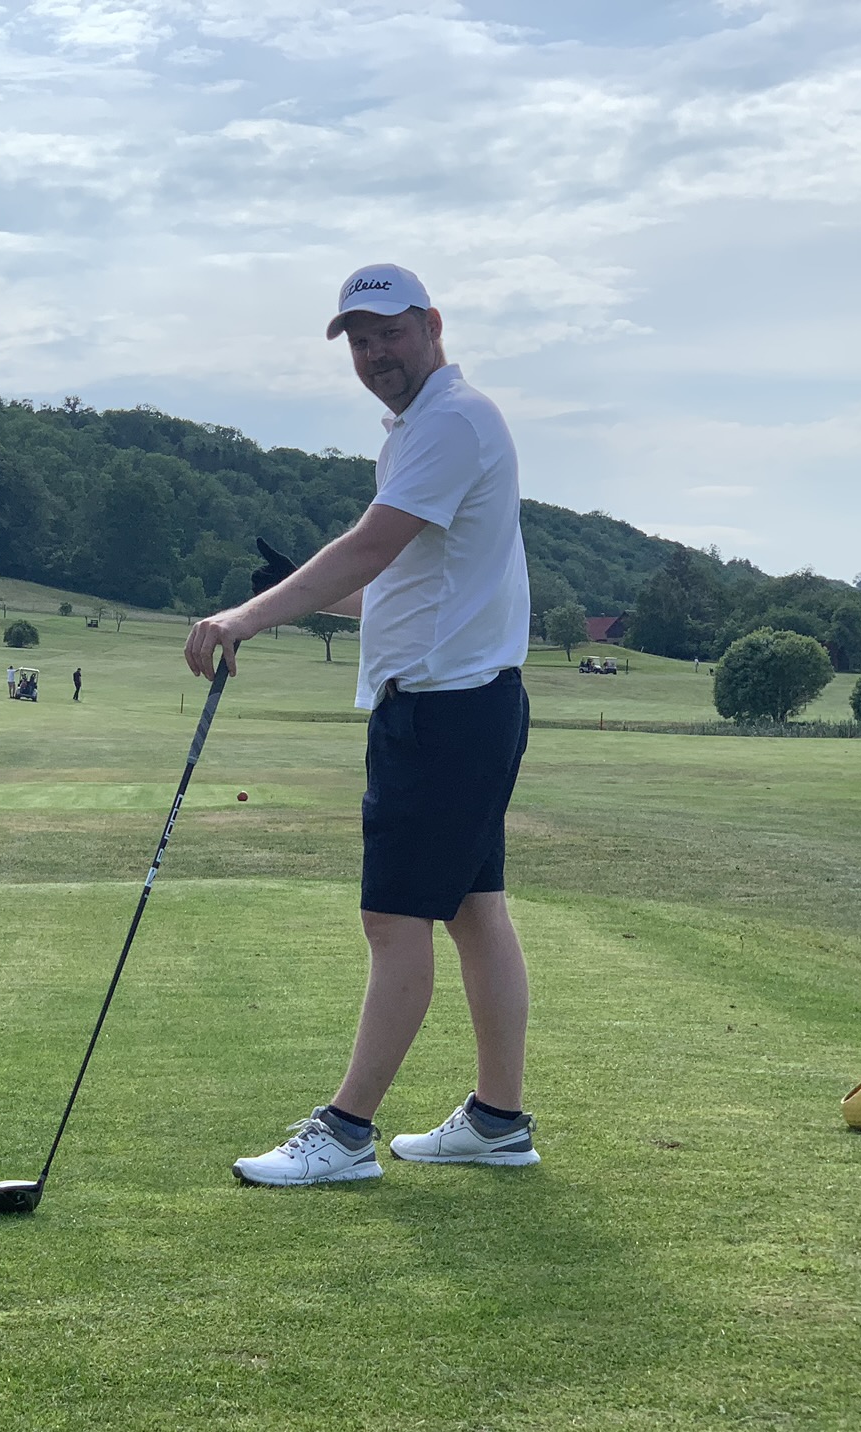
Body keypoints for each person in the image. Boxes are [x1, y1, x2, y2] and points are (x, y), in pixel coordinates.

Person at [183, 262, 538, 1185]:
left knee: (394, 919)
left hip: (445, 712)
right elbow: (399, 586)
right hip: (466, 704)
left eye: (391, 332)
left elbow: (370, 548)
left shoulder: (451, 422)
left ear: (433, 325)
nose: (377, 353)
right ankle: (498, 1121)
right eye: (360, 340)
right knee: (474, 911)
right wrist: (287, 597)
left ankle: (345, 1134)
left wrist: (244, 617)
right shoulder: (425, 429)